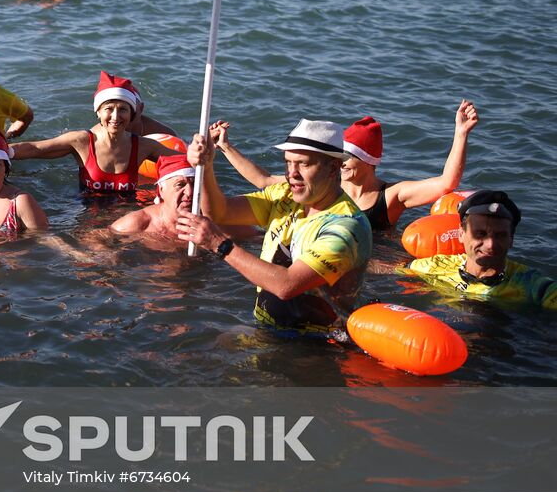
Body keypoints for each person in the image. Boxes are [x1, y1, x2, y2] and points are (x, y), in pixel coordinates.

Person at [175, 119, 373, 335]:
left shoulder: (345, 227)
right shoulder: (284, 195)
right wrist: (206, 166)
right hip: (266, 330)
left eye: (304, 164)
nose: (292, 173)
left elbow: (286, 285)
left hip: (316, 345)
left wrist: (219, 244)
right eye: (288, 163)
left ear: (334, 167)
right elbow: (220, 212)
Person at [211, 100, 480, 232]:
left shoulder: (391, 197)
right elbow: (263, 180)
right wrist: (225, 147)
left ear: (368, 162)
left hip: (372, 262)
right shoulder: (323, 186)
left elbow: (446, 183)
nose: (342, 165)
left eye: (348, 158)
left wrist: (461, 134)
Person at [7, 71, 173, 197]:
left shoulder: (144, 146)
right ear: (98, 112)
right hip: (88, 216)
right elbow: (35, 149)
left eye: (123, 109)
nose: (116, 117)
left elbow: (184, 161)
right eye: (109, 109)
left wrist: (197, 153)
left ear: (132, 114)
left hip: (127, 215)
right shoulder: (82, 141)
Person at [402, 191, 555, 309]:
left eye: (500, 235)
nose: (490, 244)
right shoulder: (435, 266)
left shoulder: (536, 288)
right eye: (480, 234)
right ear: (461, 234)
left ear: (511, 240)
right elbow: (384, 270)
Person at [110, 154, 197, 238]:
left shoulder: (207, 222)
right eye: (180, 185)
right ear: (161, 190)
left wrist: (211, 240)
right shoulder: (137, 223)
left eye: (194, 184)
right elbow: (99, 238)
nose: (190, 192)